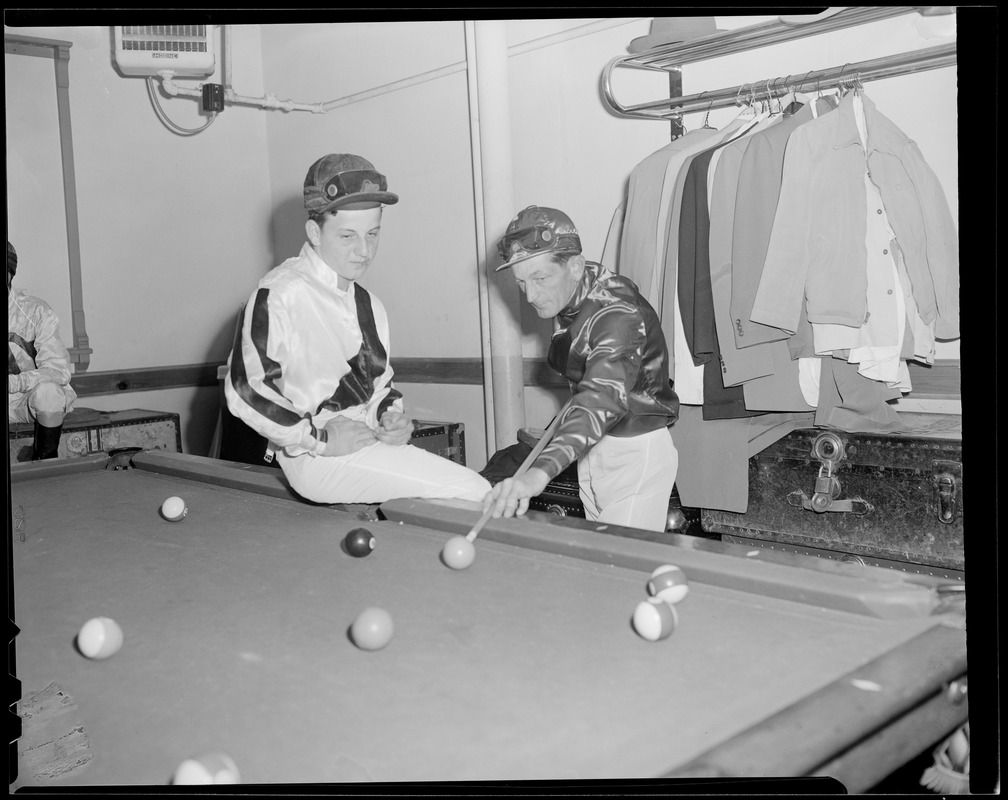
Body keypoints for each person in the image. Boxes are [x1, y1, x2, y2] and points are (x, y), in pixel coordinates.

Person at [224, 153, 491, 505]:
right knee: (474, 490)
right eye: (348, 235)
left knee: (453, 490)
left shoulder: (369, 304)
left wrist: (392, 419)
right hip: (316, 457)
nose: (364, 250)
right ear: (314, 232)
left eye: (372, 234)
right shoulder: (280, 293)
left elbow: (380, 386)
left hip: (366, 442)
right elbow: (245, 389)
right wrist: (319, 438)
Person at [482, 206, 680, 532]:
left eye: (541, 278)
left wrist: (538, 473)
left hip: (633, 454)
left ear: (574, 266)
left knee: (620, 571)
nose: (531, 295)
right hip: (592, 450)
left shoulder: (618, 314)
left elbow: (601, 399)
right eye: (521, 282)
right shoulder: (571, 295)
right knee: (597, 562)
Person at [7, 240, 78, 460]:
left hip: (26, 401)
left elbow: (59, 371)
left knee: (49, 392)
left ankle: (46, 463)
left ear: (10, 273)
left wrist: (16, 383)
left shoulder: (36, 311)